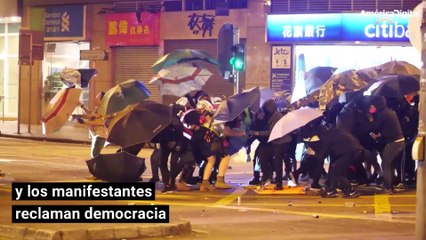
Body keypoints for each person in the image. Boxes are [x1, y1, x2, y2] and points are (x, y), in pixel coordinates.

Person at [368, 96, 405, 194]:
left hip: (395, 141)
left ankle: (388, 187)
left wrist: (370, 119)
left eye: (373, 105)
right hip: (398, 140)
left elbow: (375, 127)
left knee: (385, 163)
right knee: (390, 162)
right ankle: (390, 185)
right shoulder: (388, 112)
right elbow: (387, 129)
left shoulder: (382, 114)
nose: (372, 107)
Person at [76, 91, 109, 158]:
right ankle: (99, 167)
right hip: (96, 135)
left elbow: (101, 122)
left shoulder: (104, 110)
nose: (95, 98)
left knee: (94, 155)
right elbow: (90, 115)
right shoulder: (98, 108)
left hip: (100, 136)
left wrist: (84, 122)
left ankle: (102, 167)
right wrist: (81, 107)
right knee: (94, 155)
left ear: (102, 100)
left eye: (97, 97)